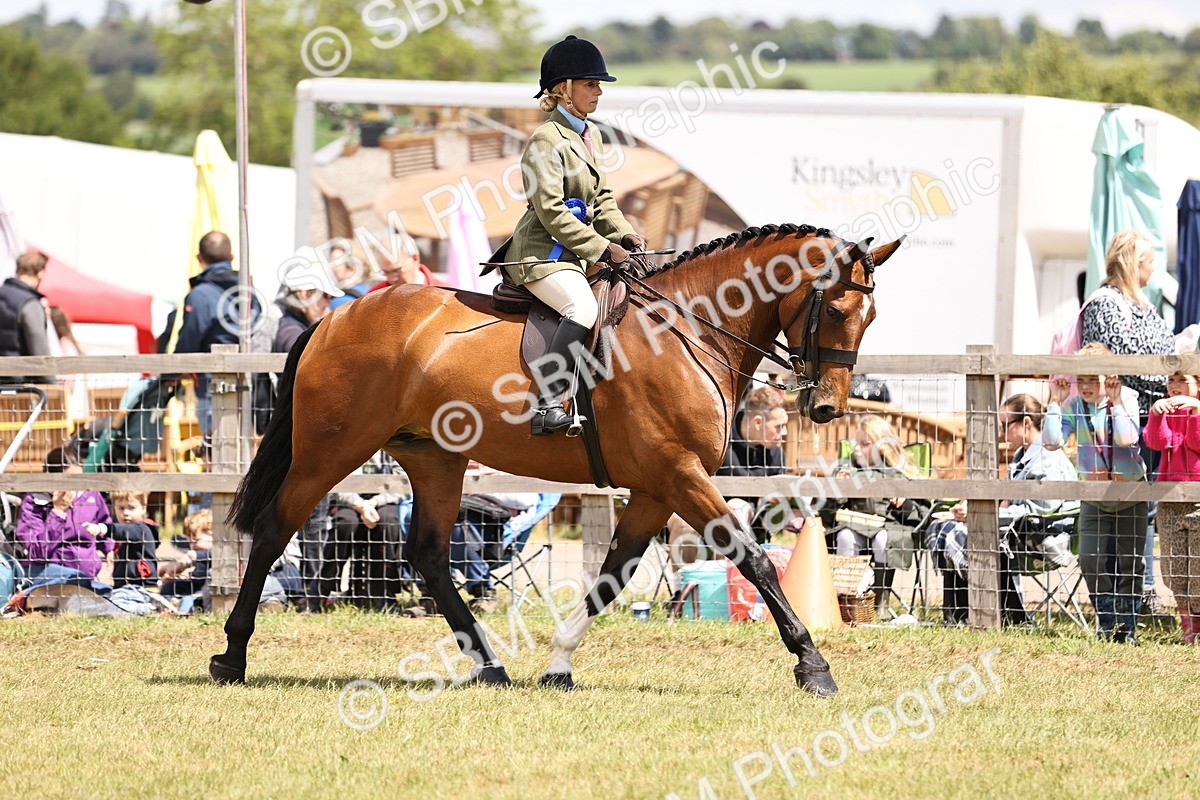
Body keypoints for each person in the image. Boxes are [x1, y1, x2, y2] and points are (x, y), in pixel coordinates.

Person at [486, 35, 644, 436]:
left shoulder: (592, 136)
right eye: (590, 84)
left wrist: (624, 236)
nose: (599, 91)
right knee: (583, 309)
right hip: (541, 254)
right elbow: (552, 211)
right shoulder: (545, 140)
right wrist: (601, 248)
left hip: (573, 254)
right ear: (562, 89)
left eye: (598, 84)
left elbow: (602, 199)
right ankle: (548, 403)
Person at [1081, 229, 1174, 611]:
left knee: (1143, 510)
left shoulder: (1144, 304)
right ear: (1133, 263)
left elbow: (1165, 349)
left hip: (1152, 416)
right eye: (1149, 260)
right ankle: (1117, 602)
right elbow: (1120, 356)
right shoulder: (1106, 302)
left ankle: (1138, 596)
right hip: (1122, 416)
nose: (1153, 268)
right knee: (1117, 509)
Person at [929, 394, 1079, 625]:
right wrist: (975, 508)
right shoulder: (1023, 456)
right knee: (946, 527)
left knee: (960, 534)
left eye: (1005, 425)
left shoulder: (1047, 458)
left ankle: (1003, 615)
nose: (1001, 433)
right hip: (1019, 531)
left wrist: (984, 515)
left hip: (1045, 538)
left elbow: (1041, 511)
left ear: (1026, 423)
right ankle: (963, 614)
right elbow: (1008, 502)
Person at [1044, 342, 1148, 643]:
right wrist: (1055, 402)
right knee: (1090, 559)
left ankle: (1126, 629)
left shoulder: (1127, 398)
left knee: (1131, 563)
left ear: (1109, 377)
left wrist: (1115, 402)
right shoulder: (1074, 406)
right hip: (1093, 495)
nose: (1086, 385)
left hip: (1130, 493)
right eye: (1082, 379)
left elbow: (1128, 439)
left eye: (1093, 378)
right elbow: (1051, 442)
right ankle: (1107, 620)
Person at [824, 414, 929, 619]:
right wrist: (837, 495)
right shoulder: (847, 469)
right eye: (856, 443)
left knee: (883, 540)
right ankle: (847, 603)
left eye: (865, 444)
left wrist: (904, 503)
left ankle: (880, 603)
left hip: (891, 527)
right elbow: (826, 515)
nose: (857, 449)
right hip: (856, 525)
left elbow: (923, 514)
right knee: (845, 536)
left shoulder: (901, 472)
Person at [170, 231, 261, 436]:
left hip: (212, 386)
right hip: (249, 383)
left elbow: (188, 342)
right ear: (231, 258)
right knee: (245, 451)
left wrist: (169, 374)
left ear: (199, 258)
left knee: (214, 450)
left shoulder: (199, 296)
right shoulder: (250, 291)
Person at [1142, 370, 1200, 643]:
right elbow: (1157, 442)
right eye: (1172, 381)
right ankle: (1187, 625)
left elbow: (1197, 443)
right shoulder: (1165, 410)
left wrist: (1196, 412)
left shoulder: (1197, 410)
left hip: (1198, 500)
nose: (1175, 387)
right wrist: (1156, 414)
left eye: (1183, 381)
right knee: (1175, 568)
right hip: (1170, 500)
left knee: (1198, 568)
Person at [14, 447, 115, 590]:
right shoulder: (34, 502)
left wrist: (109, 549)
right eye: (70, 481)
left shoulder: (91, 495)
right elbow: (37, 552)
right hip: (47, 577)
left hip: (86, 576)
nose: (76, 487)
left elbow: (105, 523)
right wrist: (57, 513)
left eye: (79, 479)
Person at [83, 491, 159, 589]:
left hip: (141, 588)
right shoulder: (123, 539)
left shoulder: (142, 529)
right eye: (121, 508)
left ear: (143, 508)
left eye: (132, 508)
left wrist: (102, 528)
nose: (126, 513)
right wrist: (114, 553)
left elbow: (123, 531)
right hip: (123, 587)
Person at [0, 250, 54, 384]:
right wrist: (53, 386)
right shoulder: (30, 304)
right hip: (19, 390)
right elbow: (41, 357)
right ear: (40, 273)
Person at [367, 233, 445, 291]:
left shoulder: (444, 294)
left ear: (415, 258)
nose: (391, 279)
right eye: (386, 272)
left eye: (396, 270)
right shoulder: (373, 297)